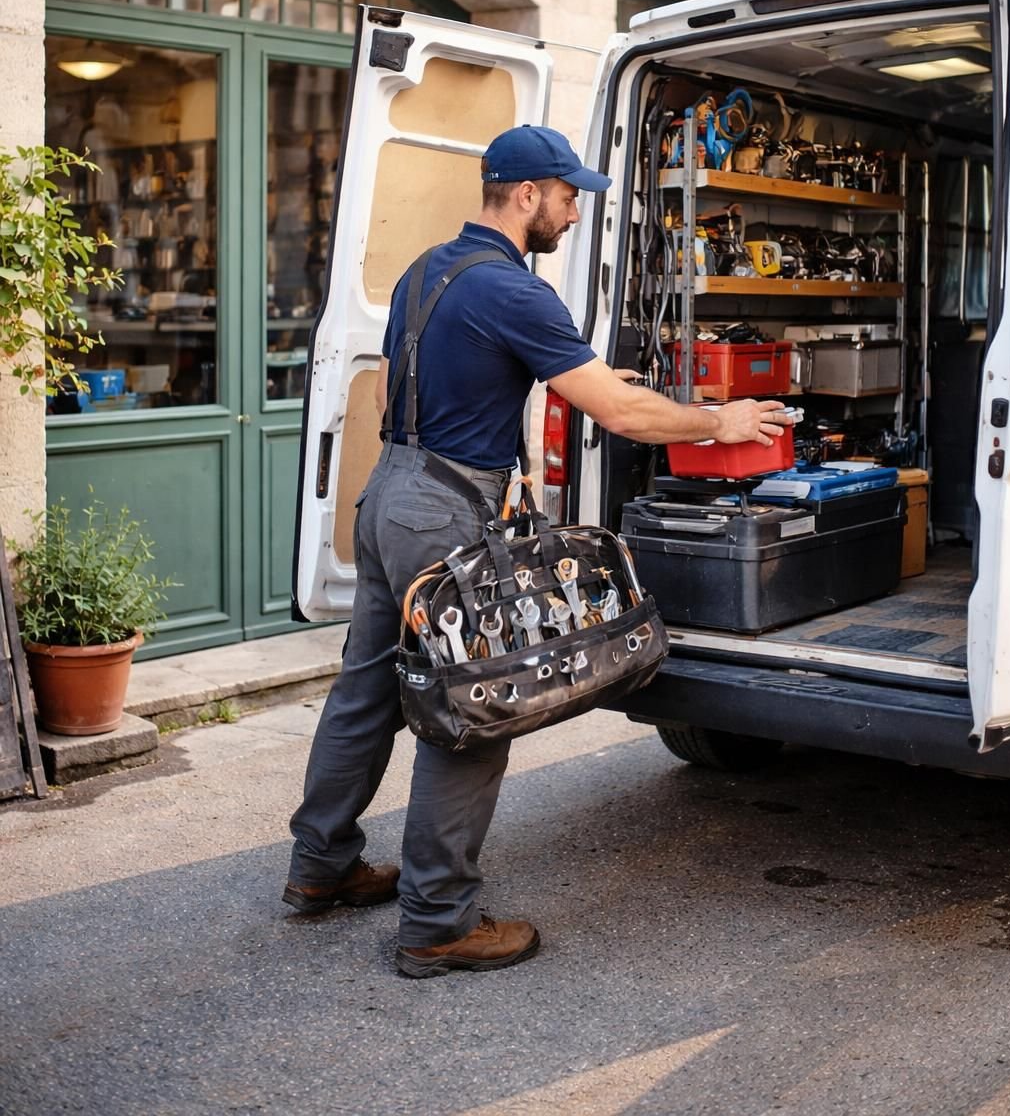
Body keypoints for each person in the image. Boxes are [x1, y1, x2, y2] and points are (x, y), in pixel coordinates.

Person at [284, 125, 789, 977]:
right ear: (526, 195)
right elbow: (620, 418)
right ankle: (438, 921)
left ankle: (320, 870)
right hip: (444, 513)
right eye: (566, 195)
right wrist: (720, 421)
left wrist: (590, 378)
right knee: (472, 709)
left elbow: (449, 375)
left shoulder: (427, 269)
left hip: (389, 498)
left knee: (365, 692)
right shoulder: (516, 292)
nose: (571, 209)